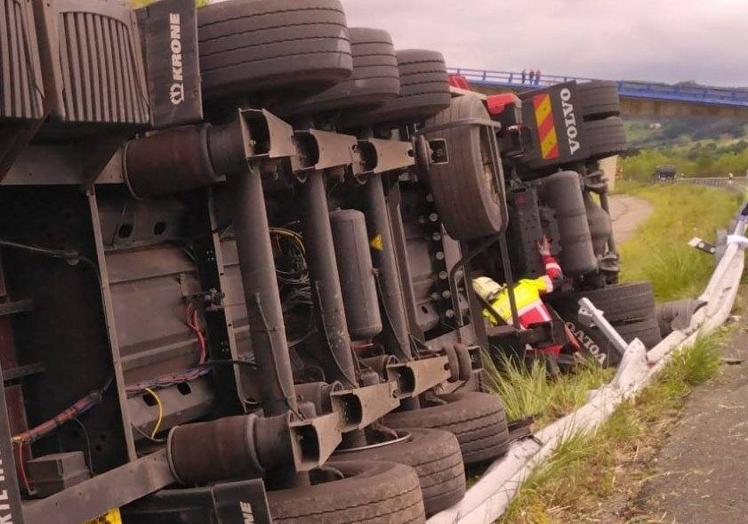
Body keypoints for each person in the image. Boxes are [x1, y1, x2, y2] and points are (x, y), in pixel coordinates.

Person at [472, 237, 564, 356]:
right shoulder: (525, 286)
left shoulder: (488, 314)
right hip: (556, 345)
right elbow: (556, 278)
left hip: (534, 358)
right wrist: (546, 255)